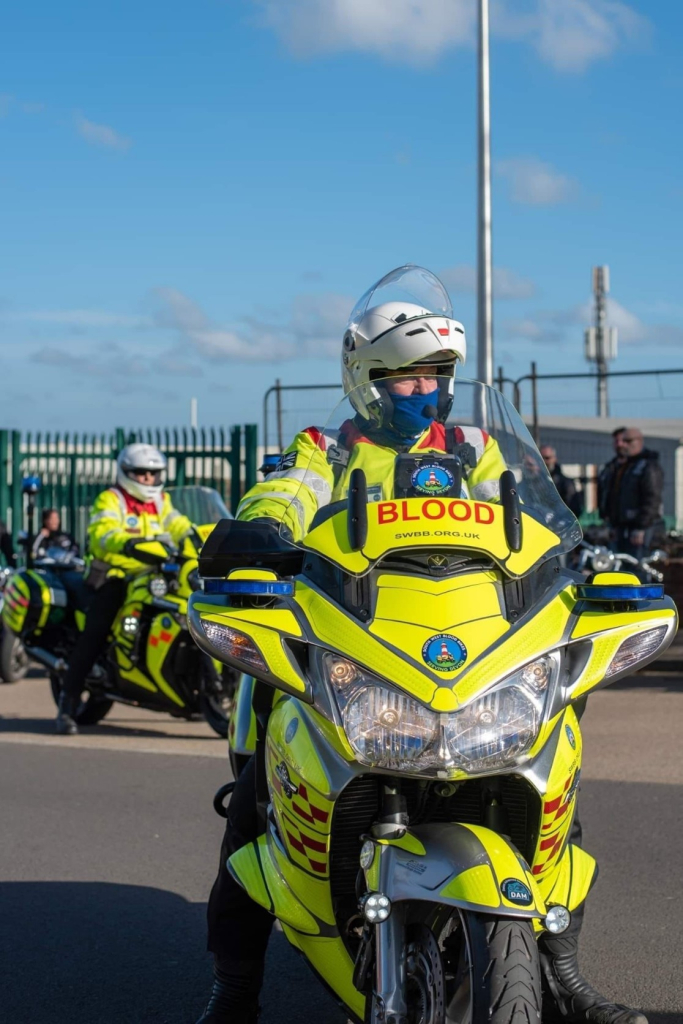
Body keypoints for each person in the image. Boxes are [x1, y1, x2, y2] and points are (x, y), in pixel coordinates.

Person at [197, 269, 645, 1024]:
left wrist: (584, 557)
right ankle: (234, 989)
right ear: (365, 379)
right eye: (405, 378)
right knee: (255, 802)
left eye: (435, 375)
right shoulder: (326, 448)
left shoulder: (476, 448)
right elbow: (283, 494)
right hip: (356, 636)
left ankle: (563, 972)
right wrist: (264, 528)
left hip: (467, 644)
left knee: (552, 786)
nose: (424, 391)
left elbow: (538, 513)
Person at [55, 444, 195, 736]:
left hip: (153, 575)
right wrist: (126, 543)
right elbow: (101, 534)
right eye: (140, 473)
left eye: (152, 473)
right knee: (95, 633)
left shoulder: (161, 502)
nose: (146, 479)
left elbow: (181, 525)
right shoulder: (111, 499)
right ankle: (67, 705)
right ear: (126, 473)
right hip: (116, 576)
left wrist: (202, 536)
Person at [598, 427, 664, 560]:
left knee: (637, 567)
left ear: (639, 441)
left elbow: (652, 499)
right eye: (622, 441)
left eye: (628, 441)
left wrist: (641, 527)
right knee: (619, 568)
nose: (623, 444)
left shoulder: (647, 466)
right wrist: (612, 523)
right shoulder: (623, 467)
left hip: (640, 530)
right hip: (622, 528)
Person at [540, 444, 584, 518]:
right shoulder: (534, 481)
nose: (544, 462)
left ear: (554, 459)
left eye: (547, 458)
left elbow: (574, 509)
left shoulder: (565, 483)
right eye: (541, 458)